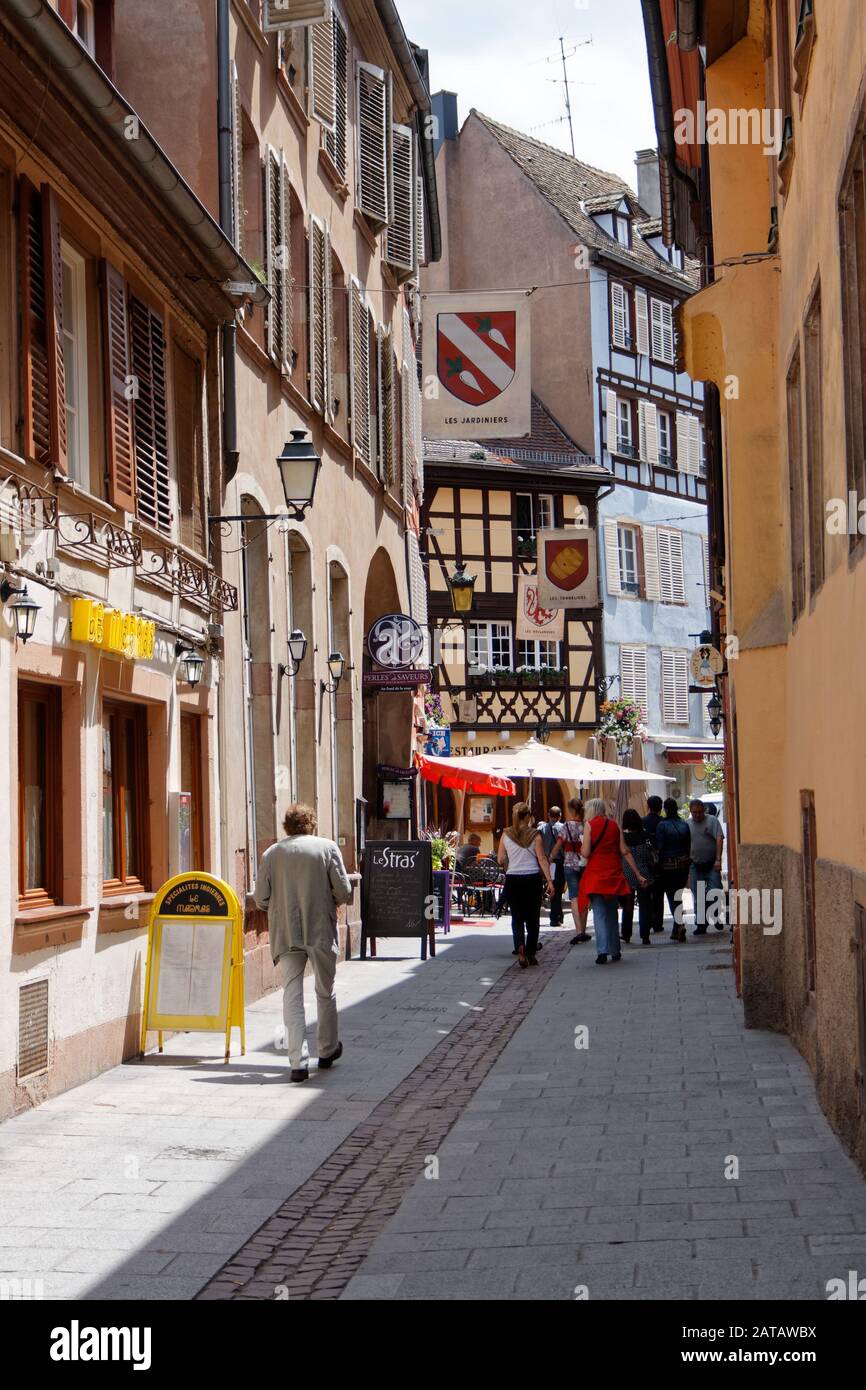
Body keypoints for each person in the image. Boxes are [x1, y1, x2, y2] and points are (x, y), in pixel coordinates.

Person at [254, 804, 353, 1083]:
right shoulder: (326, 847)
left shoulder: (272, 854)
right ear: (311, 823)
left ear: (286, 826)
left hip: (286, 932)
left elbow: (261, 898)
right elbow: (344, 891)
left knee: (292, 995)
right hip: (320, 929)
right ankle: (327, 1050)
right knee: (325, 990)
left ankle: (297, 1063)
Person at [578, 798, 648, 964]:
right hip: (614, 874)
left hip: (596, 876)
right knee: (611, 913)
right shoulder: (615, 826)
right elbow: (625, 851)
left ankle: (602, 951)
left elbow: (586, 852)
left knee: (600, 915)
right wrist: (637, 874)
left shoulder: (589, 825)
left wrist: (581, 847)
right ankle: (615, 950)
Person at [497, 803, 554, 968]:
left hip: (513, 878)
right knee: (532, 917)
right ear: (528, 816)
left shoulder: (506, 834)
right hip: (532, 878)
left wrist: (510, 864)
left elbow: (501, 859)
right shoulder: (535, 835)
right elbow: (542, 859)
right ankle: (530, 952)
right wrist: (550, 881)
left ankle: (519, 947)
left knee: (517, 917)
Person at [550, 798, 591, 944]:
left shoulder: (566, 826)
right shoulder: (587, 825)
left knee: (574, 897)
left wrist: (550, 857)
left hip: (569, 864)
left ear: (571, 810)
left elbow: (558, 845)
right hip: (585, 863)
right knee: (584, 896)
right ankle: (584, 930)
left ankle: (578, 931)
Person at [655, 798, 692, 942]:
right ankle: (677, 927)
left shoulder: (662, 825)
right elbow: (688, 845)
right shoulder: (684, 824)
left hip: (668, 866)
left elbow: (660, 847)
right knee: (678, 894)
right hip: (682, 865)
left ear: (665, 809)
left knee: (672, 896)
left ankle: (679, 924)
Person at [619, 808, 657, 945]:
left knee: (628, 905)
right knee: (645, 904)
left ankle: (626, 933)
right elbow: (650, 855)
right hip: (644, 872)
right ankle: (645, 935)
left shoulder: (622, 837)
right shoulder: (645, 835)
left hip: (627, 873)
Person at [688, 799, 725, 934]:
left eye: (699, 812)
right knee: (698, 897)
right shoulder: (688, 824)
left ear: (704, 810)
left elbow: (719, 838)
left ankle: (715, 916)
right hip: (695, 865)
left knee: (714, 892)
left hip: (711, 864)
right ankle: (701, 925)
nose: (697, 815)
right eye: (694, 812)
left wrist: (718, 860)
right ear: (690, 812)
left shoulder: (712, 821)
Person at [538, 806, 566, 926]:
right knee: (558, 890)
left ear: (548, 815)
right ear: (560, 815)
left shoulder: (540, 828)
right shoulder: (563, 828)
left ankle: (557, 915)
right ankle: (555, 917)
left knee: (548, 888)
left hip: (545, 862)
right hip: (559, 862)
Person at [643, 795, 666, 934]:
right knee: (659, 894)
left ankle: (648, 920)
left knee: (647, 894)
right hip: (661, 861)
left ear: (648, 806)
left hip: (646, 861)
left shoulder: (642, 821)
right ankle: (658, 922)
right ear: (660, 807)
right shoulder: (663, 822)